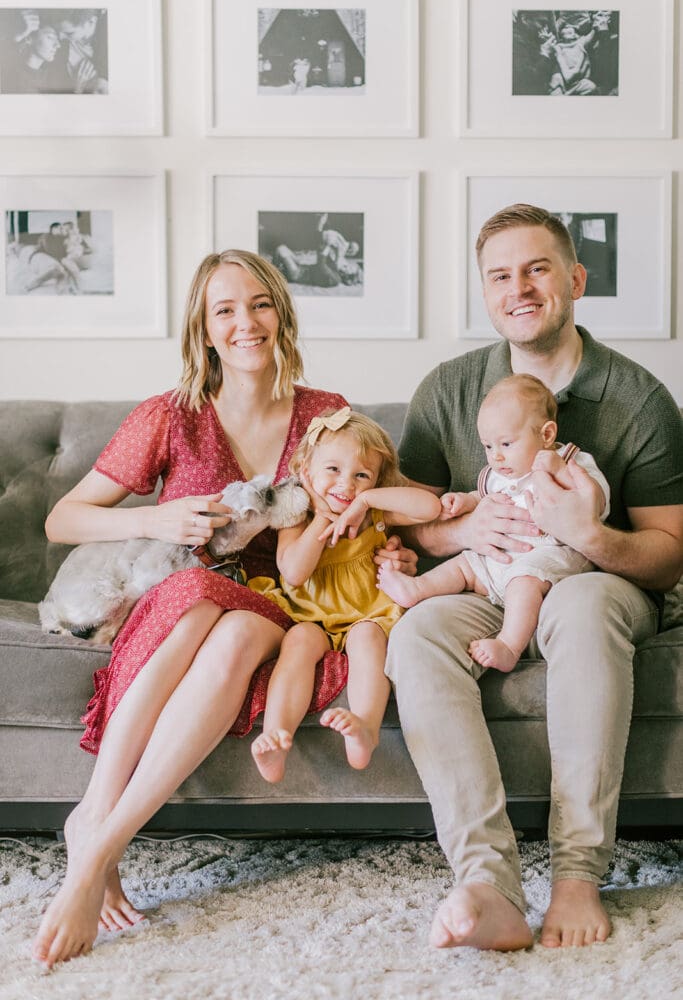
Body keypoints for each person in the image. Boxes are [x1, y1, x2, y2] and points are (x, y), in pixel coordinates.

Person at [32, 249, 415, 968]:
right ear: (203, 330)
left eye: (260, 304)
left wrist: (414, 541)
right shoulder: (168, 417)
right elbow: (63, 519)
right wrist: (153, 517)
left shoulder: (325, 414)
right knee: (220, 616)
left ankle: (95, 845)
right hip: (186, 607)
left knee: (241, 623)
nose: (246, 322)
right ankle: (96, 820)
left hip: (281, 609)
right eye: (225, 310)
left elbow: (377, 492)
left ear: (282, 313)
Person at [386, 204, 683, 952]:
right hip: (490, 584)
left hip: (597, 586)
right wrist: (459, 531)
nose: (518, 288)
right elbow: (408, 520)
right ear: (485, 294)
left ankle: (579, 873)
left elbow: (669, 555)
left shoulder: (638, 399)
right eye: (499, 276)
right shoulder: (449, 391)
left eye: (537, 268)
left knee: (581, 605)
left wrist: (590, 537)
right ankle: (485, 882)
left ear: (575, 279)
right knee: (417, 629)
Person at [250, 407, 441, 782]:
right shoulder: (297, 518)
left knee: (369, 638)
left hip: (366, 613)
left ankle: (365, 729)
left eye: (361, 475)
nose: (346, 484)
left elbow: (430, 507)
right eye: (332, 470)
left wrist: (368, 503)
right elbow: (293, 571)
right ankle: (276, 734)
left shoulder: (372, 512)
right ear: (306, 472)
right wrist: (322, 518)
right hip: (310, 615)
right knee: (299, 642)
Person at [380, 374, 610, 673]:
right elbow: (484, 495)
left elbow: (597, 500)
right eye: (488, 446)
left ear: (547, 434)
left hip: (546, 559)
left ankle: (509, 645)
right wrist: (464, 501)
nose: (496, 456)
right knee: (463, 565)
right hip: (496, 559)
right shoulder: (501, 473)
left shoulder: (569, 461)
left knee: (522, 583)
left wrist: (562, 472)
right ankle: (416, 589)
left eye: (505, 443)